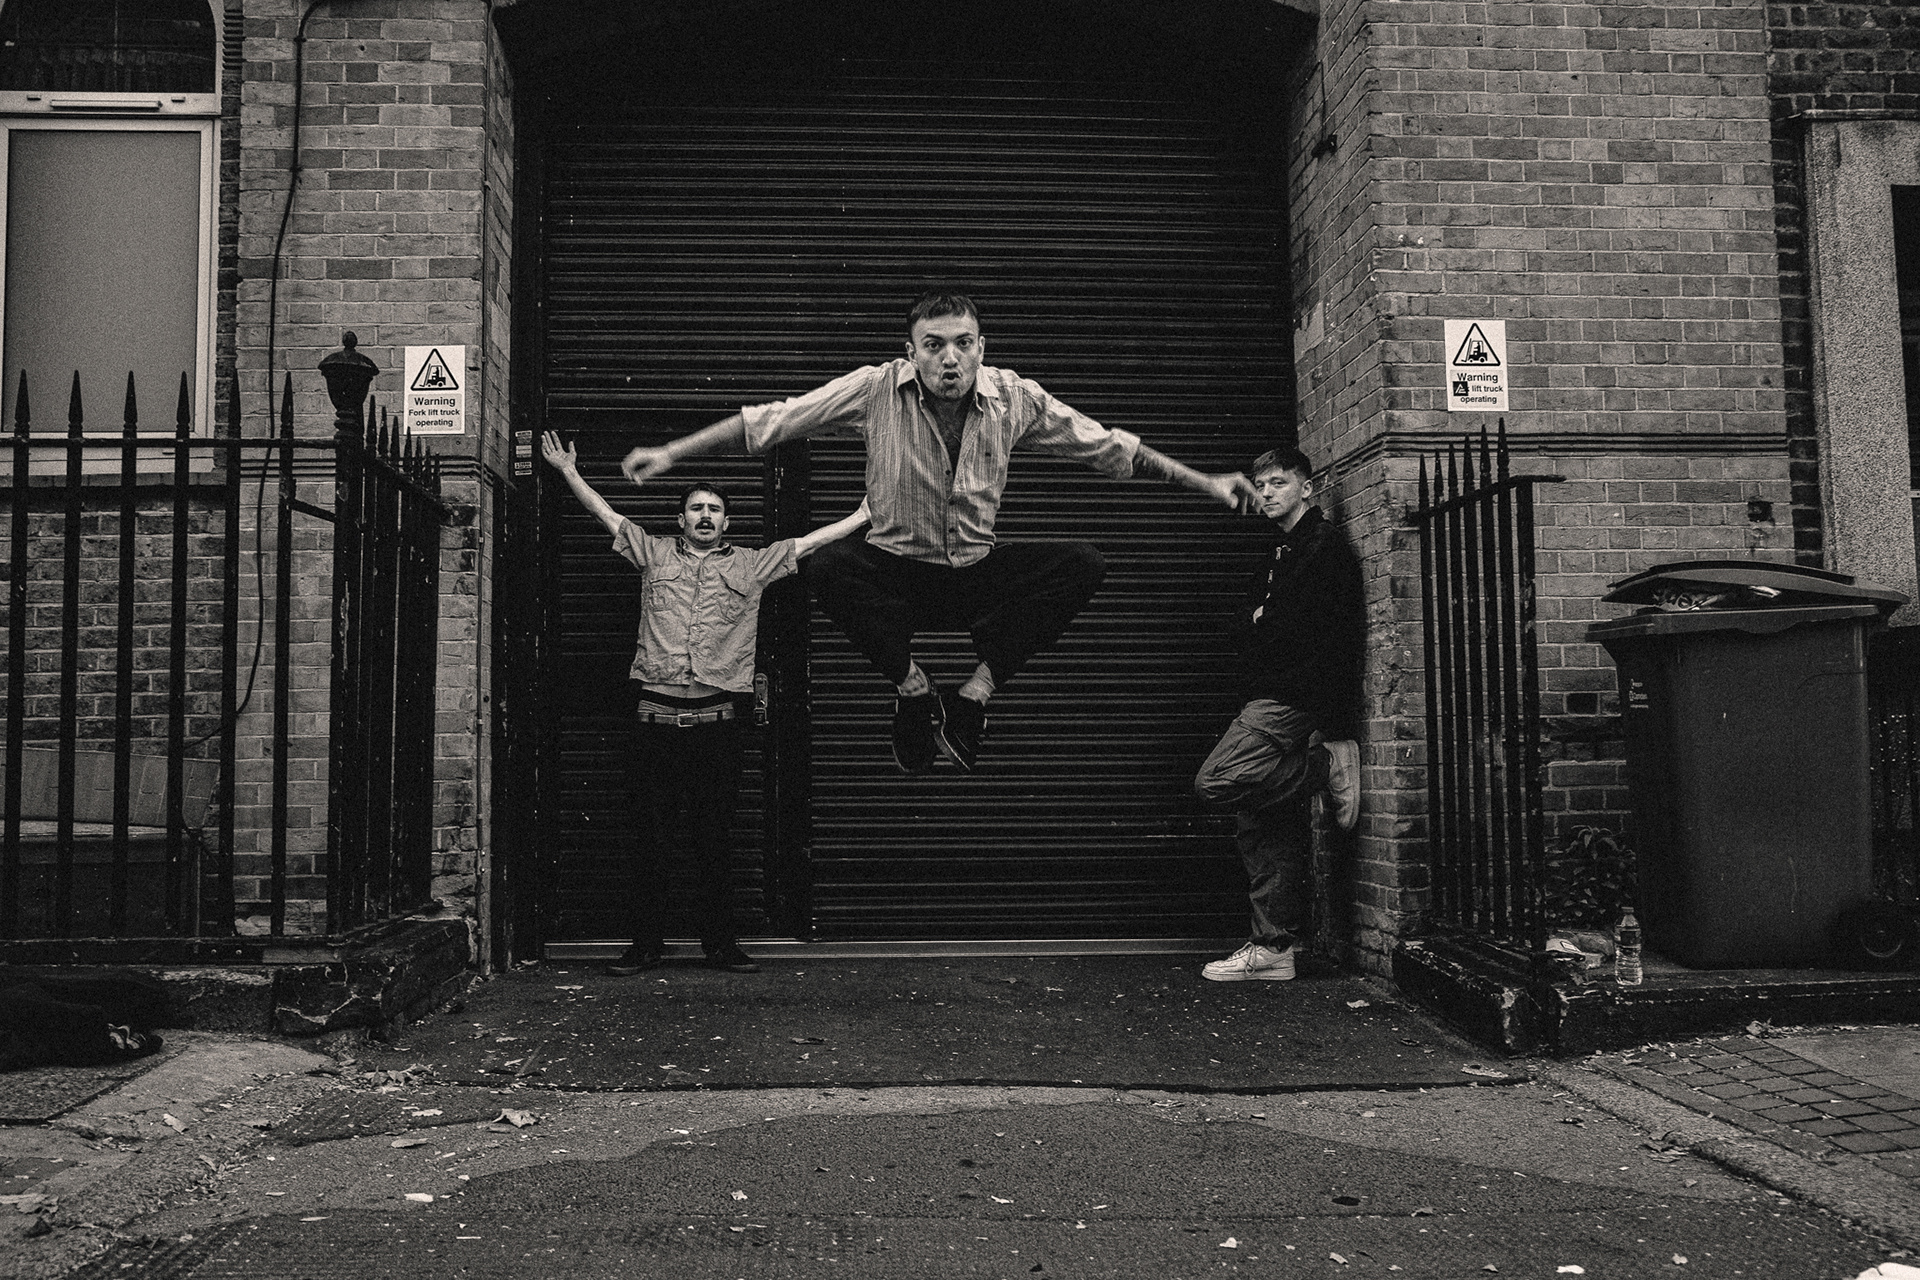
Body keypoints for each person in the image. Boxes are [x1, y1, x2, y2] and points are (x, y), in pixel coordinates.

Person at [619, 290, 1259, 774]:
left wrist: (1206, 481)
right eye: (933, 345)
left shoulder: (1015, 399)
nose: (949, 358)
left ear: (981, 348)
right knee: (823, 564)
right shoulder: (874, 391)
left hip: (974, 573)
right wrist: (673, 452)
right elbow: (771, 422)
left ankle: (975, 694)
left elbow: (1110, 448)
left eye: (962, 343)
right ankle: (913, 689)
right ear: (912, 353)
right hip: (895, 572)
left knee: (1083, 563)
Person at [541, 431, 870, 976]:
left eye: (714, 509)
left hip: (718, 728)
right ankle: (646, 946)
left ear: (726, 522)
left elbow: (806, 544)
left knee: (715, 841)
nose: (705, 515)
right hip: (654, 724)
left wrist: (861, 516)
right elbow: (608, 516)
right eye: (696, 508)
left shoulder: (751, 565)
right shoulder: (653, 552)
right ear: (681, 519)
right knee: (650, 841)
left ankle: (720, 945)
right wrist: (568, 472)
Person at [1192, 445, 1364, 983]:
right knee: (1260, 820)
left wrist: (1263, 620)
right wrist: (1260, 619)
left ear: (1306, 487)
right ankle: (1274, 947)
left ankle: (1326, 767)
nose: (1266, 493)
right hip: (1270, 690)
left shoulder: (1322, 546)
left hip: (1292, 696)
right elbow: (1249, 620)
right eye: (1260, 484)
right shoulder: (1282, 548)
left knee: (1218, 781)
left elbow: (1296, 627)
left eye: (1278, 483)